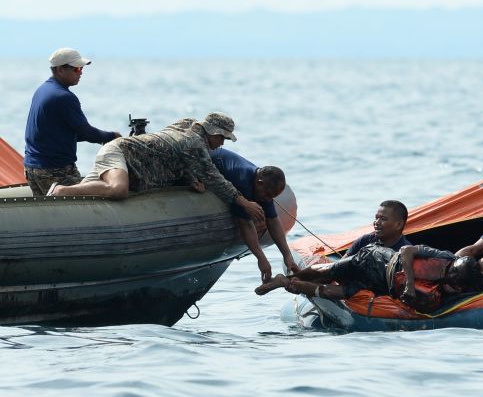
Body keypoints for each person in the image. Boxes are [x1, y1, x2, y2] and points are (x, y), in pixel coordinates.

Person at [49, 112, 265, 223]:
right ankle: (60, 190)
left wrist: (190, 178)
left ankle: (59, 207)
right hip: (120, 152)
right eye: (223, 138)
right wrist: (244, 202)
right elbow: (215, 179)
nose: (222, 144)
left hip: (132, 163)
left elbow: (173, 156)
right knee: (118, 190)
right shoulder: (195, 145)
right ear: (214, 132)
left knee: (87, 199)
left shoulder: (187, 127)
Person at [255, 243, 483, 313]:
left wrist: (413, 298)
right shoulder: (444, 256)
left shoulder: (451, 291)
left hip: (377, 285)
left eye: (455, 278)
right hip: (377, 259)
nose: (450, 275)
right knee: (327, 273)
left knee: (334, 292)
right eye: (453, 270)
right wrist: (411, 285)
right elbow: (406, 251)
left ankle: (286, 283)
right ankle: (293, 276)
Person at [23, 47, 121, 195]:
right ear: (60, 70)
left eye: (81, 68)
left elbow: (59, 133)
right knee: (102, 193)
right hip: (53, 171)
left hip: (32, 168)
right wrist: (112, 137)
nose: (81, 72)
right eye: (76, 69)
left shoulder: (42, 89)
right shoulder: (63, 97)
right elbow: (86, 132)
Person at [209, 147, 300, 282]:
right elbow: (246, 224)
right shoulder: (243, 181)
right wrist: (261, 259)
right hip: (207, 160)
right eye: (267, 195)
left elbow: (273, 221)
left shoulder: (263, 187)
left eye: (271, 197)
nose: (267, 199)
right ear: (259, 183)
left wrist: (287, 255)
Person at [344, 200, 412, 257]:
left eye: (383, 219)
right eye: (376, 218)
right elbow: (338, 267)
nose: (377, 222)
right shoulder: (364, 241)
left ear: (399, 224)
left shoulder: (406, 253)